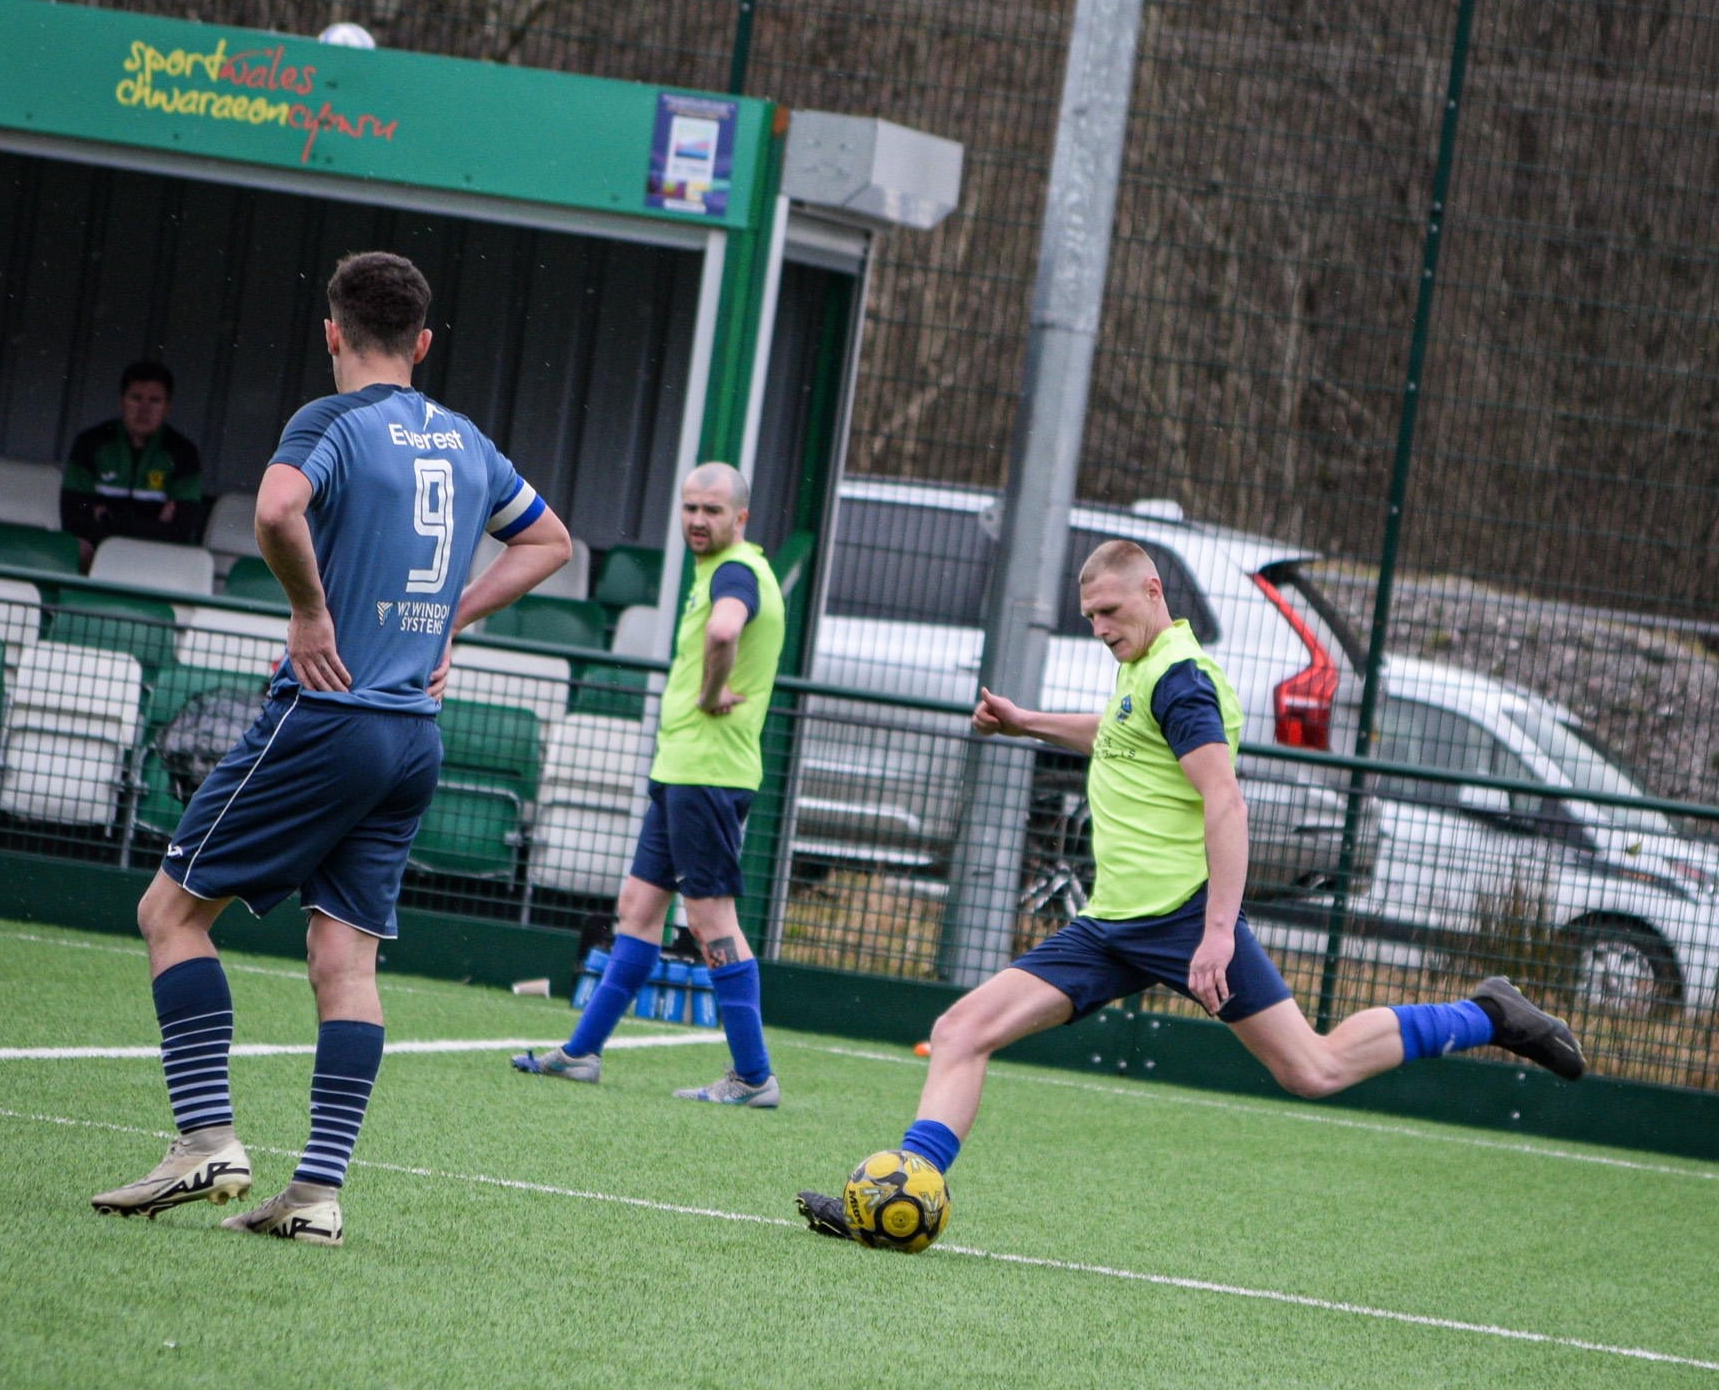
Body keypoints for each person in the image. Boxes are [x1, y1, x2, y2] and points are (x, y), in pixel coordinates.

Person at [796, 537, 1585, 1244]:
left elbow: (1224, 801)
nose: (1100, 628)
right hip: (1111, 927)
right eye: (1089, 617)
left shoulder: (1181, 681)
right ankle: (898, 1198)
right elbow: (1114, 733)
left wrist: (1216, 930)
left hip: (1180, 920)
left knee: (1311, 1069)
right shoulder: (1143, 672)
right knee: (963, 1028)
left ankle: (1487, 1013)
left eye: (1108, 611)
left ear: (1151, 594)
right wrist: (1026, 722)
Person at [91, 252, 571, 1244]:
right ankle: (315, 1194)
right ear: (424, 341)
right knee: (343, 959)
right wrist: (448, 623)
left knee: (171, 912)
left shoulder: (331, 421)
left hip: (327, 716)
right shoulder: (467, 439)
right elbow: (548, 542)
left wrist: (309, 611)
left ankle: (204, 1139)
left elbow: (274, 510)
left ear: (331, 332)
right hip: (411, 741)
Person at [514, 460, 786, 1105]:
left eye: (712, 510)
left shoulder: (736, 571)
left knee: (710, 915)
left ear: (740, 517)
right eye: (689, 507)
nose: (696, 520)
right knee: (639, 906)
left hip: (708, 773)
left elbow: (725, 629)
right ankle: (581, 1054)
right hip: (683, 771)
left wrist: (712, 691)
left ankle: (752, 1076)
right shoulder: (722, 569)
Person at [62, 360, 205, 564]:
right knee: (76, 548)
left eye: (154, 400)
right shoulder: (91, 443)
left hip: (157, 558)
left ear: (167, 407)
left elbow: (182, 530)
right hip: (97, 553)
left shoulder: (183, 453)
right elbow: (73, 512)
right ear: (121, 401)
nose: (144, 410)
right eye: (136, 398)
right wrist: (155, 523)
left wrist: (106, 518)